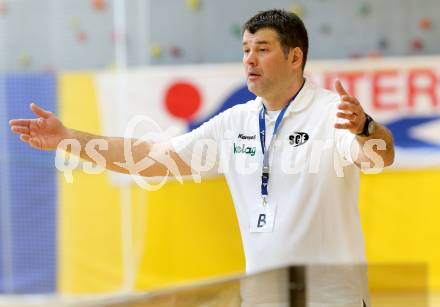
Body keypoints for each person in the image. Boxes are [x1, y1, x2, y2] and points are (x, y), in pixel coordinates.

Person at [9, 9, 394, 307]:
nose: (250, 60)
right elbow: (153, 157)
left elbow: (379, 156)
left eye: (262, 49)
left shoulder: (333, 113)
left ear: (295, 57)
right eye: (246, 50)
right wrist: (68, 139)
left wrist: (366, 128)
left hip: (332, 297)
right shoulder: (235, 121)